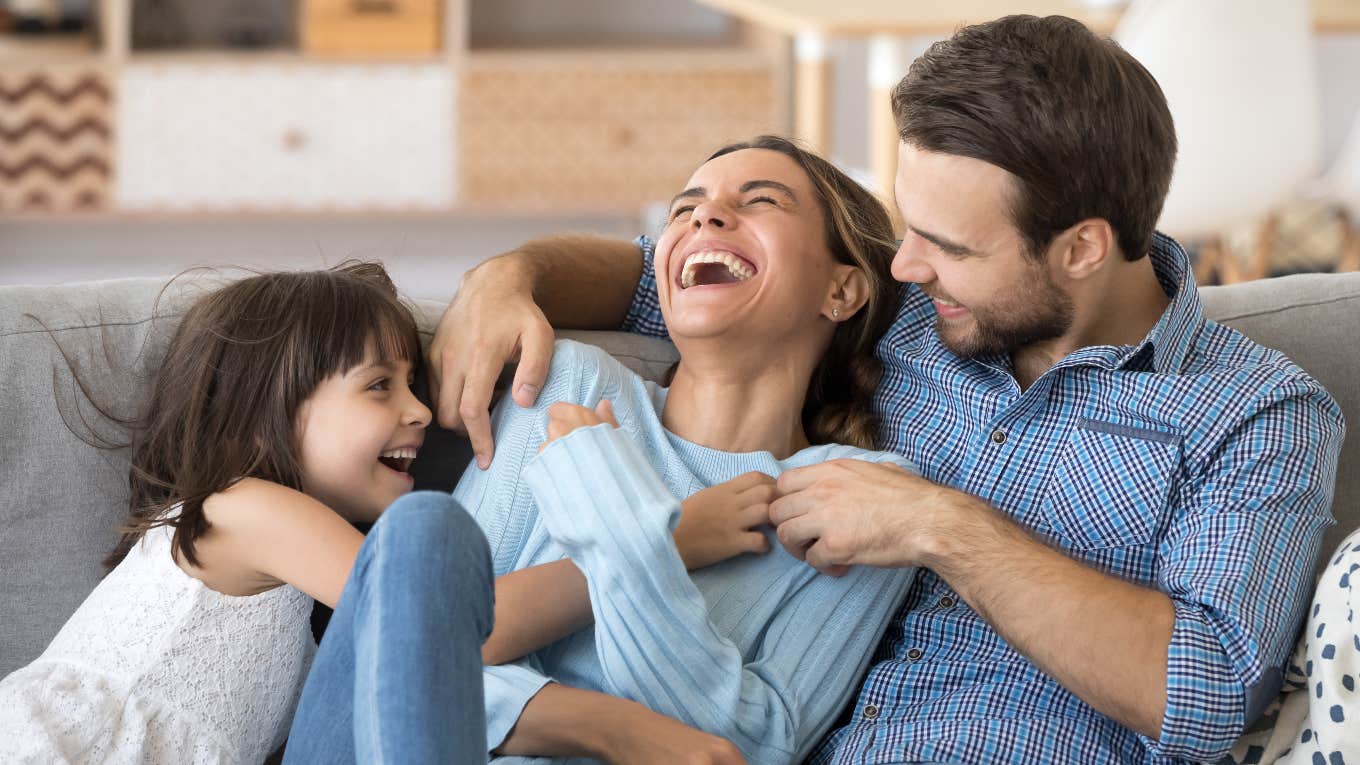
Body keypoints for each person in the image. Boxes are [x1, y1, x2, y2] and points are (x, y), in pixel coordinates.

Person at [429, 15, 1345, 765]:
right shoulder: (907, 308)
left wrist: (940, 526)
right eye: (906, 227)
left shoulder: (1257, 413)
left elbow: (1202, 695)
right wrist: (510, 275)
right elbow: (668, 278)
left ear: (1082, 248)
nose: (905, 263)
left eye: (945, 246)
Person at [449, 134, 919, 764]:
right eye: (684, 208)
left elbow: (753, 746)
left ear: (840, 291)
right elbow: (419, 643)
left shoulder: (857, 497)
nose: (705, 215)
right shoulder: (573, 384)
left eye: (762, 201)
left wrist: (617, 517)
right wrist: (610, 724)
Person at [0, 263, 494, 763]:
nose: (422, 411)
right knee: (428, 534)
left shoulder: (300, 627)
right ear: (261, 416)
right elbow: (439, 618)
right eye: (379, 385)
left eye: (412, 383)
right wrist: (578, 556)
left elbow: (424, 681)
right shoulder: (242, 509)